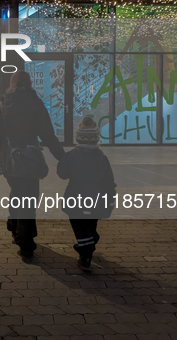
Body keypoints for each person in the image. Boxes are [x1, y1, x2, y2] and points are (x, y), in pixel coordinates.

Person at [0, 70, 65, 260]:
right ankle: (26, 241)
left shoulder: (2, 104)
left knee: (17, 191)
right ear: (30, 84)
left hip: (9, 158)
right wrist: (62, 157)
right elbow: (47, 134)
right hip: (30, 157)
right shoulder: (36, 104)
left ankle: (15, 226)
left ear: (11, 83)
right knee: (29, 198)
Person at [57, 116, 116, 271]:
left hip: (75, 197)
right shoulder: (102, 158)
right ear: (96, 139)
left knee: (78, 224)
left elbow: (62, 174)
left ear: (78, 137)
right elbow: (109, 181)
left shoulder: (70, 156)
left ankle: (86, 254)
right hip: (96, 198)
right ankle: (91, 239)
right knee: (90, 223)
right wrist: (111, 198)